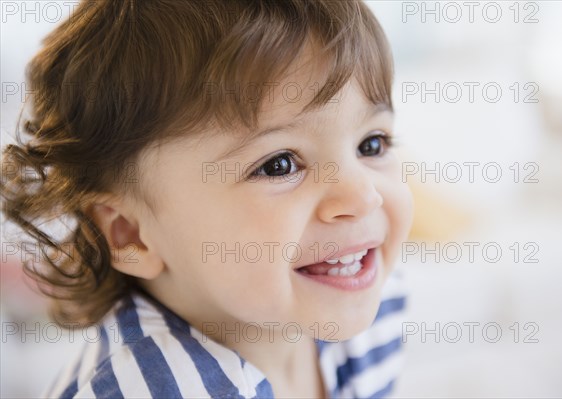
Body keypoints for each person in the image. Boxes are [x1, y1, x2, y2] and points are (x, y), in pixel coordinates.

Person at [0, 0, 413, 397]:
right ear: (130, 233)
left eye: (372, 144)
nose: (363, 197)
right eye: (279, 165)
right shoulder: (147, 388)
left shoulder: (371, 299)